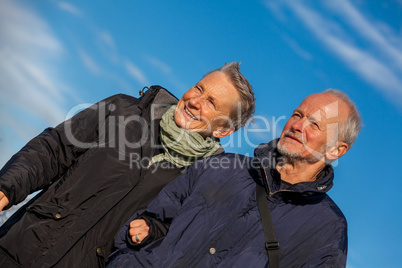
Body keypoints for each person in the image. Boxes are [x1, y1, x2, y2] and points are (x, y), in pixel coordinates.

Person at [0, 62, 255, 267]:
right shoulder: (123, 109)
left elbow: (179, 236)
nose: (195, 101)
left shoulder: (205, 179)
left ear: (223, 130)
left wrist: (152, 230)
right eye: (199, 88)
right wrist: (7, 186)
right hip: (18, 248)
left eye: (211, 103)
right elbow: (54, 149)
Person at [107, 89, 360, 267]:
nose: (297, 125)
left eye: (314, 125)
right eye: (297, 114)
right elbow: (153, 220)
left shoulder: (328, 228)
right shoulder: (222, 165)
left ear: (336, 150)